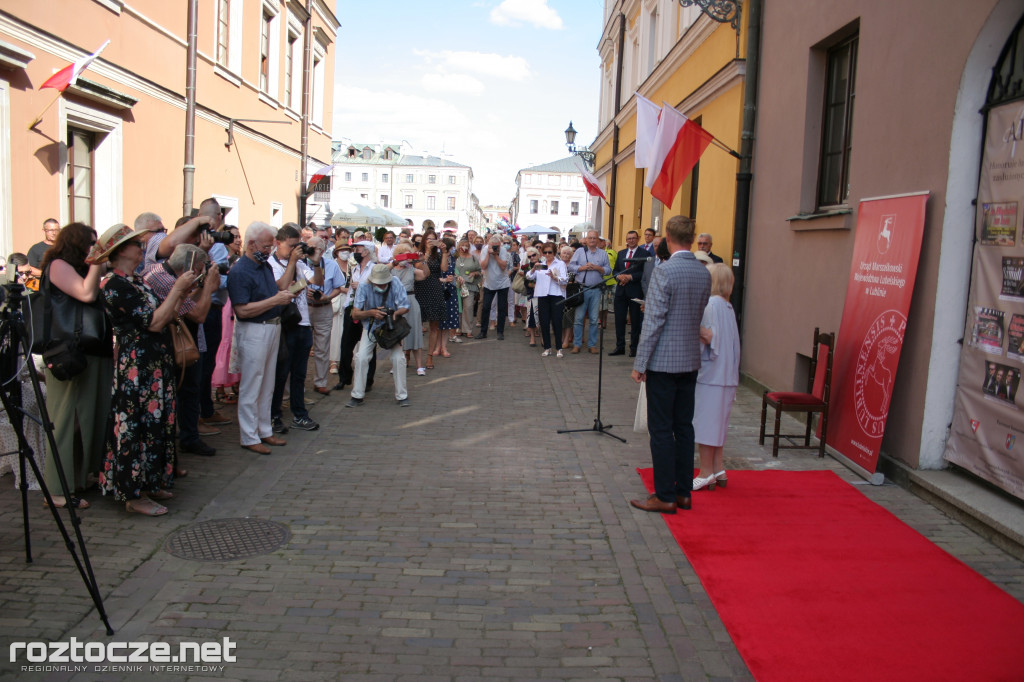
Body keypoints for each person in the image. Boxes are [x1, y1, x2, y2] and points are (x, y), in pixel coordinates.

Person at [96, 223, 194, 516]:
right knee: (135, 426)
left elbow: (165, 315)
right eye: (136, 244)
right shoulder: (114, 284)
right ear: (121, 251)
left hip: (152, 362)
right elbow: (152, 321)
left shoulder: (138, 280)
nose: (142, 247)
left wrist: (181, 291)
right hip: (137, 367)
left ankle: (150, 481)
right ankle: (132, 493)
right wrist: (177, 288)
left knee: (155, 423)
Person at [629, 215, 711, 514]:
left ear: (667, 237)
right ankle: (683, 492)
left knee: (661, 429)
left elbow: (653, 322)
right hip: (689, 358)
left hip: (664, 361)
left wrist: (640, 362)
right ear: (691, 238)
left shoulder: (665, 271)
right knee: (684, 426)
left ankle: (664, 495)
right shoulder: (704, 272)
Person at [39, 223, 112, 509]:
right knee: (67, 419)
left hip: (91, 351)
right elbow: (85, 294)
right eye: (91, 243)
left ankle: (79, 478)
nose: (94, 248)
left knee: (88, 417)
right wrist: (97, 264)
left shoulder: (83, 268)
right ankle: (56, 489)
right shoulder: (58, 265)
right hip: (68, 352)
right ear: (77, 243)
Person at [143, 243, 221, 457]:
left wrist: (199, 288)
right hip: (174, 346)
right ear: (193, 266)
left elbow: (187, 305)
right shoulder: (168, 281)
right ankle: (189, 438)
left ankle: (182, 439)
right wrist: (207, 288)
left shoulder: (156, 271)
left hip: (171, 342)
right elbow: (198, 315)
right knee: (187, 392)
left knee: (185, 392)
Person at [227, 222, 296, 455]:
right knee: (252, 384)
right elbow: (242, 310)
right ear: (251, 244)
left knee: (267, 383)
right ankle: (249, 436)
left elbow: (275, 288)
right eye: (266, 246)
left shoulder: (263, 266)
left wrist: (291, 275)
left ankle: (264, 430)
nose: (269, 250)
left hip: (271, 327)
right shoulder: (240, 271)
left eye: (271, 245)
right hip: (254, 330)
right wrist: (275, 301)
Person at [269, 223, 323, 433]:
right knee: (280, 374)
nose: (294, 251)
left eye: (296, 247)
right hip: (284, 326)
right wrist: (293, 262)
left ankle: (299, 414)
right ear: (278, 243)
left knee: (299, 374)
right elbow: (281, 288)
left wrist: (316, 264)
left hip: (303, 323)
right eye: (291, 246)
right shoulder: (271, 264)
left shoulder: (300, 264)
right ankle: (274, 415)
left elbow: (317, 282)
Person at [692, 264, 740, 491]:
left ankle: (706, 472)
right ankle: (718, 468)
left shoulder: (710, 305)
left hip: (711, 374)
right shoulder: (727, 306)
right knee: (719, 423)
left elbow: (709, 338)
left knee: (705, 424)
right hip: (727, 374)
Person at [346, 264, 411, 407]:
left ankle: (402, 396)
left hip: (391, 328)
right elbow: (355, 313)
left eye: (384, 283)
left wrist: (394, 313)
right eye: (378, 284)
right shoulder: (363, 287)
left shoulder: (395, 283)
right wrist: (372, 313)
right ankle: (357, 396)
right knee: (361, 357)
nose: (381, 286)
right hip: (370, 327)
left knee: (398, 358)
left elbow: (405, 306)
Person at [335, 240, 377, 390]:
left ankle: (367, 380)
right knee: (346, 345)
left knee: (369, 346)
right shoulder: (355, 269)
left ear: (366, 252)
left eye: (358, 249)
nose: (355, 252)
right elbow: (350, 289)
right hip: (352, 309)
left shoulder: (375, 269)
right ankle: (344, 378)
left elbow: (380, 289)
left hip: (367, 310)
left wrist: (363, 286)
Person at [305, 236, 343, 395]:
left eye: (316, 248)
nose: (312, 251)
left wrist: (327, 297)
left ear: (322, 250)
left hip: (324, 307)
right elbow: (293, 286)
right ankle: (299, 383)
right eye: (309, 247)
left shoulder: (331, 265)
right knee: (303, 346)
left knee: (322, 347)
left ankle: (320, 382)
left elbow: (339, 287)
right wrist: (304, 291)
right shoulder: (301, 265)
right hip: (304, 308)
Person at [567, 229, 612, 353]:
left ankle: (592, 345)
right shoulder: (580, 252)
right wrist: (582, 268)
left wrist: (598, 268)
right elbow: (570, 266)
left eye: (594, 238)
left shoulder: (603, 253)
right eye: (590, 238)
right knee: (579, 318)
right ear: (586, 240)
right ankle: (577, 344)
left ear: (598, 240)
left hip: (596, 290)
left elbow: (608, 270)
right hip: (582, 289)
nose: (592, 240)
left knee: (593, 319)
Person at [212, 225, 242, 404]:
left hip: (235, 302)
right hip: (226, 304)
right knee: (225, 343)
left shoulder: (239, 258)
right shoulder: (222, 258)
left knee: (236, 343)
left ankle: (236, 382)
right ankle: (220, 387)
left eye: (239, 236)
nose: (238, 240)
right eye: (234, 237)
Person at [610, 230, 650, 357]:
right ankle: (620, 346)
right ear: (626, 240)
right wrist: (620, 277)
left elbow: (645, 273)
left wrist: (630, 277)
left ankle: (634, 347)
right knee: (619, 320)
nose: (631, 240)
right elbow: (615, 270)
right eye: (629, 238)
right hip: (621, 291)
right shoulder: (621, 253)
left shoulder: (644, 253)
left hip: (635, 290)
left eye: (633, 238)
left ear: (638, 239)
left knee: (635, 320)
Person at [391, 243, 426, 375]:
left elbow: (424, 274)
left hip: (410, 299)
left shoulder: (411, 269)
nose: (405, 257)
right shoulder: (391, 269)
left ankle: (419, 366)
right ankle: (396, 364)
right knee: (395, 334)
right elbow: (383, 270)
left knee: (415, 331)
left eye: (408, 254)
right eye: (403, 254)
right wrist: (395, 262)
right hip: (395, 302)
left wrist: (422, 260)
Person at [527, 243, 568, 357]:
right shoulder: (541, 264)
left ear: (554, 252)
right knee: (544, 322)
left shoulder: (560, 264)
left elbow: (565, 280)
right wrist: (534, 268)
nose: (547, 254)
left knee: (557, 322)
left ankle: (559, 348)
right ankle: (547, 347)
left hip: (556, 295)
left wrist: (554, 277)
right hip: (542, 295)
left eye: (550, 252)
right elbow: (529, 277)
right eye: (545, 252)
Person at [415, 233, 447, 360]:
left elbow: (444, 269)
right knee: (417, 324)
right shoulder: (418, 254)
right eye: (428, 239)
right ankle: (409, 354)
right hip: (420, 287)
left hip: (434, 288)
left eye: (433, 240)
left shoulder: (438, 255)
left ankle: (429, 356)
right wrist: (426, 252)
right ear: (424, 240)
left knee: (434, 325)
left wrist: (444, 252)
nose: (431, 242)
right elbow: (419, 268)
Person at [475, 235, 511, 340]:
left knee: (502, 308)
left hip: (503, 283)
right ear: (489, 244)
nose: (496, 248)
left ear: (500, 245)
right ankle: (483, 332)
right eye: (493, 246)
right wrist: (489, 255)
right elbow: (483, 266)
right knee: (486, 307)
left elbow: (503, 266)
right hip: (489, 283)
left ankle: (500, 332)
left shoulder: (503, 250)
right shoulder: (485, 250)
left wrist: (495, 255)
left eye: (497, 246)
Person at [329, 243, 351, 377]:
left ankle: (346, 360)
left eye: (347, 250)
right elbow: (329, 282)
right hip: (337, 300)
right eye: (342, 250)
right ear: (336, 252)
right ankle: (333, 361)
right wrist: (343, 289)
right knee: (335, 331)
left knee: (348, 331)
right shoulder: (332, 265)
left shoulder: (352, 265)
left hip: (349, 301)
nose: (345, 252)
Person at [454, 239, 481, 338]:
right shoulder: (455, 258)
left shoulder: (473, 258)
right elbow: (450, 269)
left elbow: (479, 270)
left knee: (468, 307)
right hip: (456, 285)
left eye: (467, 245)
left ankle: (468, 329)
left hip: (469, 285)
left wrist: (474, 273)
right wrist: (456, 276)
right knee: (457, 307)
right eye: (463, 245)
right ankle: (458, 328)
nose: (464, 247)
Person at [439, 237, 460, 350]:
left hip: (450, 290)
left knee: (448, 319)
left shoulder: (453, 258)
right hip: (439, 290)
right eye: (452, 247)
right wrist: (443, 280)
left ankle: (444, 346)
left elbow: (453, 273)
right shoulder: (438, 258)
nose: (454, 249)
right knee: (438, 321)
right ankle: (437, 347)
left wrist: (457, 278)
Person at [559, 245, 576, 350]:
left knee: (569, 318)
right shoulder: (557, 264)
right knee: (559, 318)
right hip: (559, 294)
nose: (565, 255)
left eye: (568, 253)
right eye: (564, 253)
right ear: (560, 254)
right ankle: (560, 339)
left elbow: (575, 280)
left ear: (571, 255)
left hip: (570, 295)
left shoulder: (573, 266)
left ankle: (566, 340)